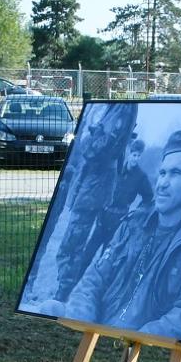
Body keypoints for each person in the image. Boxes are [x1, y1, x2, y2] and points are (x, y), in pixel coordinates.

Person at [67, 127, 181, 341]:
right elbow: (93, 280)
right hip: (98, 329)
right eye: (162, 173)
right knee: (50, 308)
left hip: (143, 346)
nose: (162, 183)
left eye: (175, 173)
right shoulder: (135, 221)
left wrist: (128, 341)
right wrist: (82, 321)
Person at [52, 102, 142, 300]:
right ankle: (64, 290)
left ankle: (63, 292)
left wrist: (89, 140)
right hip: (92, 180)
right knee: (74, 242)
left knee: (72, 242)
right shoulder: (116, 106)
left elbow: (103, 147)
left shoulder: (124, 107)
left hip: (96, 183)